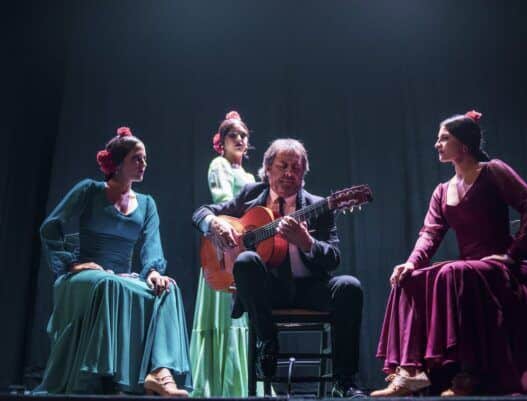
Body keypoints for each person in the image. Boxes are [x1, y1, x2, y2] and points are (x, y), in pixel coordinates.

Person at [371, 111, 527, 396]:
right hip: (469, 270)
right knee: (408, 278)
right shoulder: (442, 190)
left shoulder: (493, 171)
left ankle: (468, 375)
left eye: (443, 139)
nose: (437, 144)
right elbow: (429, 234)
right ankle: (410, 371)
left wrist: (513, 255)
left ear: (464, 145)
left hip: (502, 269)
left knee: (453, 271)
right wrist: (411, 262)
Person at [192, 139, 365, 397]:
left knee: (349, 286)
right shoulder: (250, 196)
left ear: (303, 174)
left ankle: (344, 381)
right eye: (283, 166)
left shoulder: (319, 207)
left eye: (296, 168)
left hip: (309, 289)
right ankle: (267, 342)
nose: (289, 173)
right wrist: (213, 223)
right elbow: (201, 212)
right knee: (245, 261)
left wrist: (308, 244)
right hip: (266, 293)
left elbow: (333, 258)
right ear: (267, 168)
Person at [37, 127, 191, 396]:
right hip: (86, 277)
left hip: (122, 277)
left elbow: (152, 244)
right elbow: (50, 226)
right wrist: (71, 264)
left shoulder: (146, 203)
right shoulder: (89, 191)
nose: (144, 164)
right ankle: (105, 378)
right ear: (117, 164)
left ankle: (159, 371)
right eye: (137, 158)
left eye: (145, 159)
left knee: (169, 288)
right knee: (109, 283)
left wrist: (154, 271)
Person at [189, 111, 256, 397]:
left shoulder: (251, 175)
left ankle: (240, 386)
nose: (240, 139)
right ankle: (212, 386)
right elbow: (223, 202)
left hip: (243, 244)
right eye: (234, 135)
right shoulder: (219, 165)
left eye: (243, 136)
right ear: (222, 142)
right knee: (222, 314)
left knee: (240, 316)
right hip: (223, 242)